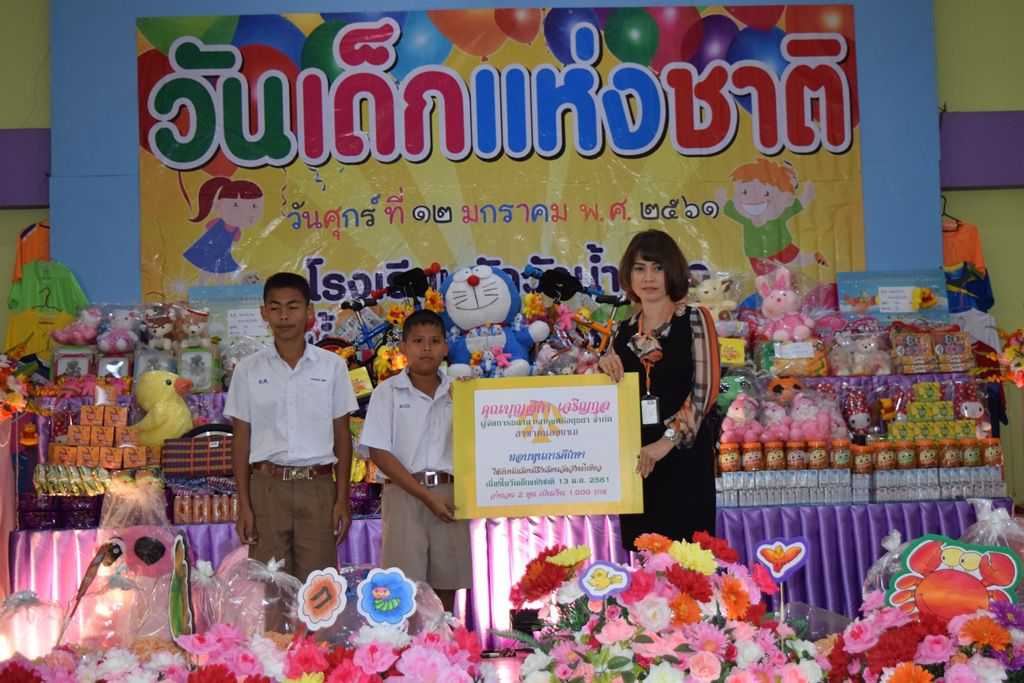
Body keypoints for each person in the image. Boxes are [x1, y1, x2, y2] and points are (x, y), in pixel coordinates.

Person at [225, 272, 358, 582]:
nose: (284, 316)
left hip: (318, 488)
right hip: (267, 489)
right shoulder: (247, 370)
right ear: (264, 313)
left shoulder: (333, 366)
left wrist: (342, 499)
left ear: (309, 312)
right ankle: (277, 622)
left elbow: (342, 437)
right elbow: (241, 440)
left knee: (319, 590)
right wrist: (244, 505)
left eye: (293, 307)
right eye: (275, 307)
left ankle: (317, 621)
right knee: (273, 589)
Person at [598, 230, 721, 551]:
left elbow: (705, 389)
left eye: (658, 268)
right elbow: (607, 401)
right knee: (644, 561)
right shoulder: (621, 331)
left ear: (673, 272)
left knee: (689, 562)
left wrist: (665, 442)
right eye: (639, 268)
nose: (648, 277)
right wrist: (603, 367)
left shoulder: (694, 319)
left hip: (683, 458)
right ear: (628, 275)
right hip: (638, 462)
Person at [360, 309, 470, 613]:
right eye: (418, 341)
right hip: (404, 493)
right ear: (403, 348)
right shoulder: (387, 392)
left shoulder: (461, 390)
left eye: (434, 341)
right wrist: (425, 496)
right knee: (403, 586)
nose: (426, 348)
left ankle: (443, 640)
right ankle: (407, 643)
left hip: (450, 494)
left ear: (445, 347)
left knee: (448, 583)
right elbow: (378, 452)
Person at [715, 158, 827, 276]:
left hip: (782, 247)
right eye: (745, 192)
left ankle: (814, 257)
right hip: (756, 254)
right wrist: (722, 199)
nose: (755, 199)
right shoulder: (746, 218)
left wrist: (807, 195)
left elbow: (796, 206)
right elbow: (730, 209)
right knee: (764, 275)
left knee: (795, 260)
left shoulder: (778, 214)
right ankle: (774, 284)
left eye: (766, 193)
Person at [184, 177, 264, 276]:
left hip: (223, 256)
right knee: (205, 272)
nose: (246, 212)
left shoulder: (237, 231)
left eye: (254, 206)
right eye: (235, 205)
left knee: (223, 272)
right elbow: (206, 233)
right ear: (218, 204)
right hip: (205, 253)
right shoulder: (216, 223)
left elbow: (235, 245)